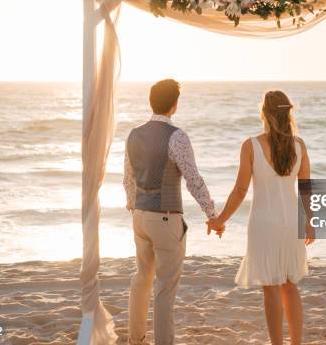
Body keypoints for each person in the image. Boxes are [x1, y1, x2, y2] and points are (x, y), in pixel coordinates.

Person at [207, 90, 315, 345]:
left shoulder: (251, 145)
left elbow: (240, 190)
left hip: (264, 225)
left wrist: (220, 219)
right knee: (290, 284)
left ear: (264, 114)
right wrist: (310, 221)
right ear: (288, 113)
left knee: (271, 287)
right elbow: (307, 187)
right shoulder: (299, 146)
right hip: (291, 223)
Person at [123, 79, 224, 345]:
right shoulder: (176, 136)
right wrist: (212, 215)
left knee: (142, 278)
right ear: (174, 104)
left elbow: (128, 179)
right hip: (166, 218)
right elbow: (193, 179)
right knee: (165, 288)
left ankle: (135, 339)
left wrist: (135, 208)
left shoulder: (133, 134)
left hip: (140, 217)